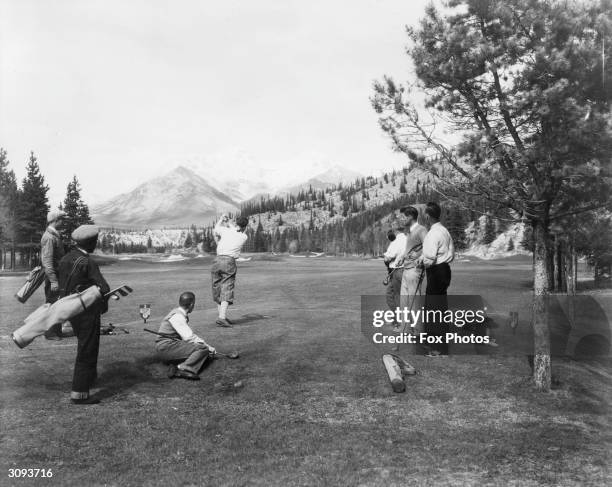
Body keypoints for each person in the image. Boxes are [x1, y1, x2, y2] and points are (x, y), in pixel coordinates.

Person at [58, 225, 110, 404]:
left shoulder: (65, 259)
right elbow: (104, 288)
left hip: (70, 309)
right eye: (94, 241)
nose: (95, 244)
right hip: (86, 311)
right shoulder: (87, 262)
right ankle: (79, 393)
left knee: (84, 345)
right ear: (89, 242)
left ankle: (89, 380)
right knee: (87, 350)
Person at [419, 202, 455, 357]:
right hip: (444, 270)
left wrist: (420, 262)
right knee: (439, 308)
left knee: (434, 309)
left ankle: (438, 348)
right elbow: (451, 251)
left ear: (427, 215)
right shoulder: (444, 231)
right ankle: (435, 343)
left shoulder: (432, 233)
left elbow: (429, 257)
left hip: (435, 271)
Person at [155, 292, 216, 380]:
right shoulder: (177, 316)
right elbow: (189, 337)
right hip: (166, 348)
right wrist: (208, 347)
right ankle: (182, 368)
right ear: (191, 304)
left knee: (204, 354)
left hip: (167, 347)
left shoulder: (177, 313)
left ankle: (174, 365)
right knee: (202, 348)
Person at [211, 214, 249, 327]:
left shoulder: (226, 231)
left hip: (217, 260)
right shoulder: (244, 236)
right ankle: (222, 317)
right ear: (245, 227)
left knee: (217, 288)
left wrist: (221, 220)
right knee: (227, 288)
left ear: (236, 224)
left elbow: (216, 229)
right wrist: (228, 222)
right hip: (229, 261)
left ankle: (221, 316)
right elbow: (236, 230)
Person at [397, 206, 428, 338]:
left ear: (410, 217)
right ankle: (405, 329)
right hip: (406, 269)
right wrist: (402, 257)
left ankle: (418, 332)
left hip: (415, 270)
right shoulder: (409, 231)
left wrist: (419, 257)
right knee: (404, 302)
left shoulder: (421, 230)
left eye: (403, 216)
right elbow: (410, 249)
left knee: (414, 302)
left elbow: (428, 247)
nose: (401, 219)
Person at [41, 210, 67, 340]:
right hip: (54, 276)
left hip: (57, 275)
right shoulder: (50, 237)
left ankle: (56, 330)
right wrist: (53, 281)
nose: (63, 222)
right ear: (56, 220)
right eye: (62, 219)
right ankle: (50, 332)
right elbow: (47, 261)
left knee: (58, 303)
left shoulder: (54, 235)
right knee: (52, 303)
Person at [383, 219, 407, 326]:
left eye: (392, 228)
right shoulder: (407, 238)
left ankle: (399, 322)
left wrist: (385, 258)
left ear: (395, 229)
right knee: (400, 296)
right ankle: (401, 320)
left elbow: (388, 257)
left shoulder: (397, 241)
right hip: (404, 270)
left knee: (393, 296)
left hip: (397, 271)